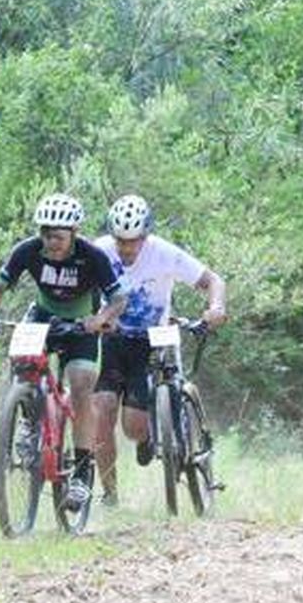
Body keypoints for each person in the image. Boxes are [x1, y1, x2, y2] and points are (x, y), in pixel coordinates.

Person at [0, 193, 127, 511]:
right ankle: (26, 413)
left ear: (74, 233)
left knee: (81, 386)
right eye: (46, 235)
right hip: (42, 316)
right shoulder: (27, 250)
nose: (51, 242)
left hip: (82, 325)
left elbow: (119, 299)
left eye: (58, 237)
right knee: (21, 358)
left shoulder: (92, 256)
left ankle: (81, 474)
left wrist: (101, 319)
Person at [90, 194, 227, 505]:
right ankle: (110, 493)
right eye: (120, 241)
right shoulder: (99, 250)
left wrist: (216, 307)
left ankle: (151, 434)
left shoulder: (164, 253)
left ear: (146, 235)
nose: (126, 248)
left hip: (152, 341)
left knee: (134, 429)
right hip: (112, 340)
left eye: (133, 241)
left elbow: (212, 280)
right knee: (102, 411)